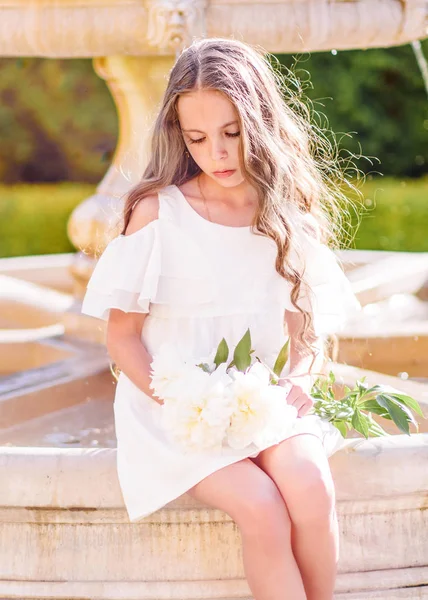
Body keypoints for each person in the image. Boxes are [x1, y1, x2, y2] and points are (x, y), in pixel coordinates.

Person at [81, 37, 361, 600]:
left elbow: (304, 331)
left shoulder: (284, 213)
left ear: (260, 122)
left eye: (232, 133)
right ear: (179, 137)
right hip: (173, 411)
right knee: (262, 508)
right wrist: (183, 402)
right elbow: (123, 337)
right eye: (198, 138)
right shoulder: (159, 212)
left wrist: (297, 385)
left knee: (309, 486)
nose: (218, 153)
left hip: (261, 399)